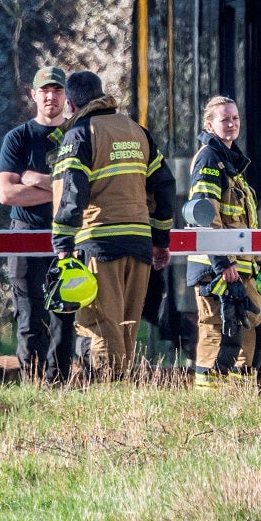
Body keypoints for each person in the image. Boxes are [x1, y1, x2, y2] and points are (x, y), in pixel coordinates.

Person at [50, 70, 174, 381]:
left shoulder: (80, 134)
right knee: (126, 327)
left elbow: (71, 192)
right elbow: (164, 186)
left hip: (99, 243)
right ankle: (121, 396)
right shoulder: (136, 131)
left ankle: (106, 396)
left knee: (99, 325)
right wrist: (160, 239)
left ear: (72, 103)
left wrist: (63, 246)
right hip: (140, 244)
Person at [0, 66, 77, 382]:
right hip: (25, 237)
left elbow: (87, 190)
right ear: (34, 94)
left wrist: (40, 180)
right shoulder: (18, 138)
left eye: (57, 90)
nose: (50, 96)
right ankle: (33, 384)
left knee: (65, 316)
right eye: (44, 90)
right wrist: (62, 187)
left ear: (66, 96)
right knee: (30, 317)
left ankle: (59, 385)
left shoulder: (77, 135)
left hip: (67, 237)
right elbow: (7, 194)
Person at [185, 96, 261, 389]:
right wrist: (222, 263)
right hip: (216, 269)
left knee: (250, 334)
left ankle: (239, 400)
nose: (231, 124)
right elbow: (205, 215)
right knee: (218, 334)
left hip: (239, 268)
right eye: (224, 119)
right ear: (209, 124)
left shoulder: (230, 161)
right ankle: (208, 402)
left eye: (235, 118)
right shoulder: (209, 158)